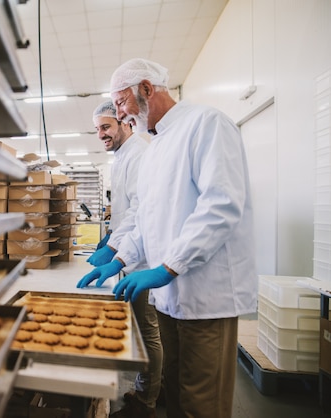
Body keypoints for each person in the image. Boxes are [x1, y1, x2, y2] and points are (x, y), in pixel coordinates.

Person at [77, 58, 257, 418]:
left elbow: (220, 206)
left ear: (146, 89)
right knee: (176, 395)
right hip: (170, 298)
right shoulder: (156, 146)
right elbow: (147, 217)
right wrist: (120, 257)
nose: (121, 113)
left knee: (200, 403)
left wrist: (168, 267)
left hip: (206, 296)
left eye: (122, 102)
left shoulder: (206, 124)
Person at [79, 101, 161, 418]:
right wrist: (109, 238)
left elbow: (141, 213)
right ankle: (151, 387)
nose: (101, 134)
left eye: (106, 127)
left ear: (124, 123)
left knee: (146, 331)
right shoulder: (121, 156)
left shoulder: (139, 154)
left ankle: (146, 402)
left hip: (140, 260)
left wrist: (115, 251)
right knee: (141, 331)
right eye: (97, 128)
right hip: (128, 253)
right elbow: (124, 211)